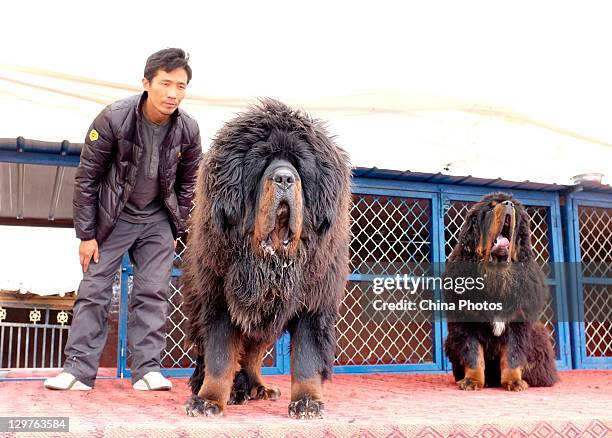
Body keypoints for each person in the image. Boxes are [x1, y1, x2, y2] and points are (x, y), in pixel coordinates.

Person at [44, 48, 202, 391]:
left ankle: (146, 370)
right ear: (146, 83)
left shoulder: (188, 129)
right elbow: (87, 179)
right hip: (113, 218)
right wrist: (87, 235)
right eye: (166, 83)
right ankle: (77, 370)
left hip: (158, 219)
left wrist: (177, 225)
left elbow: (190, 182)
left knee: (153, 290)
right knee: (95, 287)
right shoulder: (113, 118)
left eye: (182, 85)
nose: (174, 93)